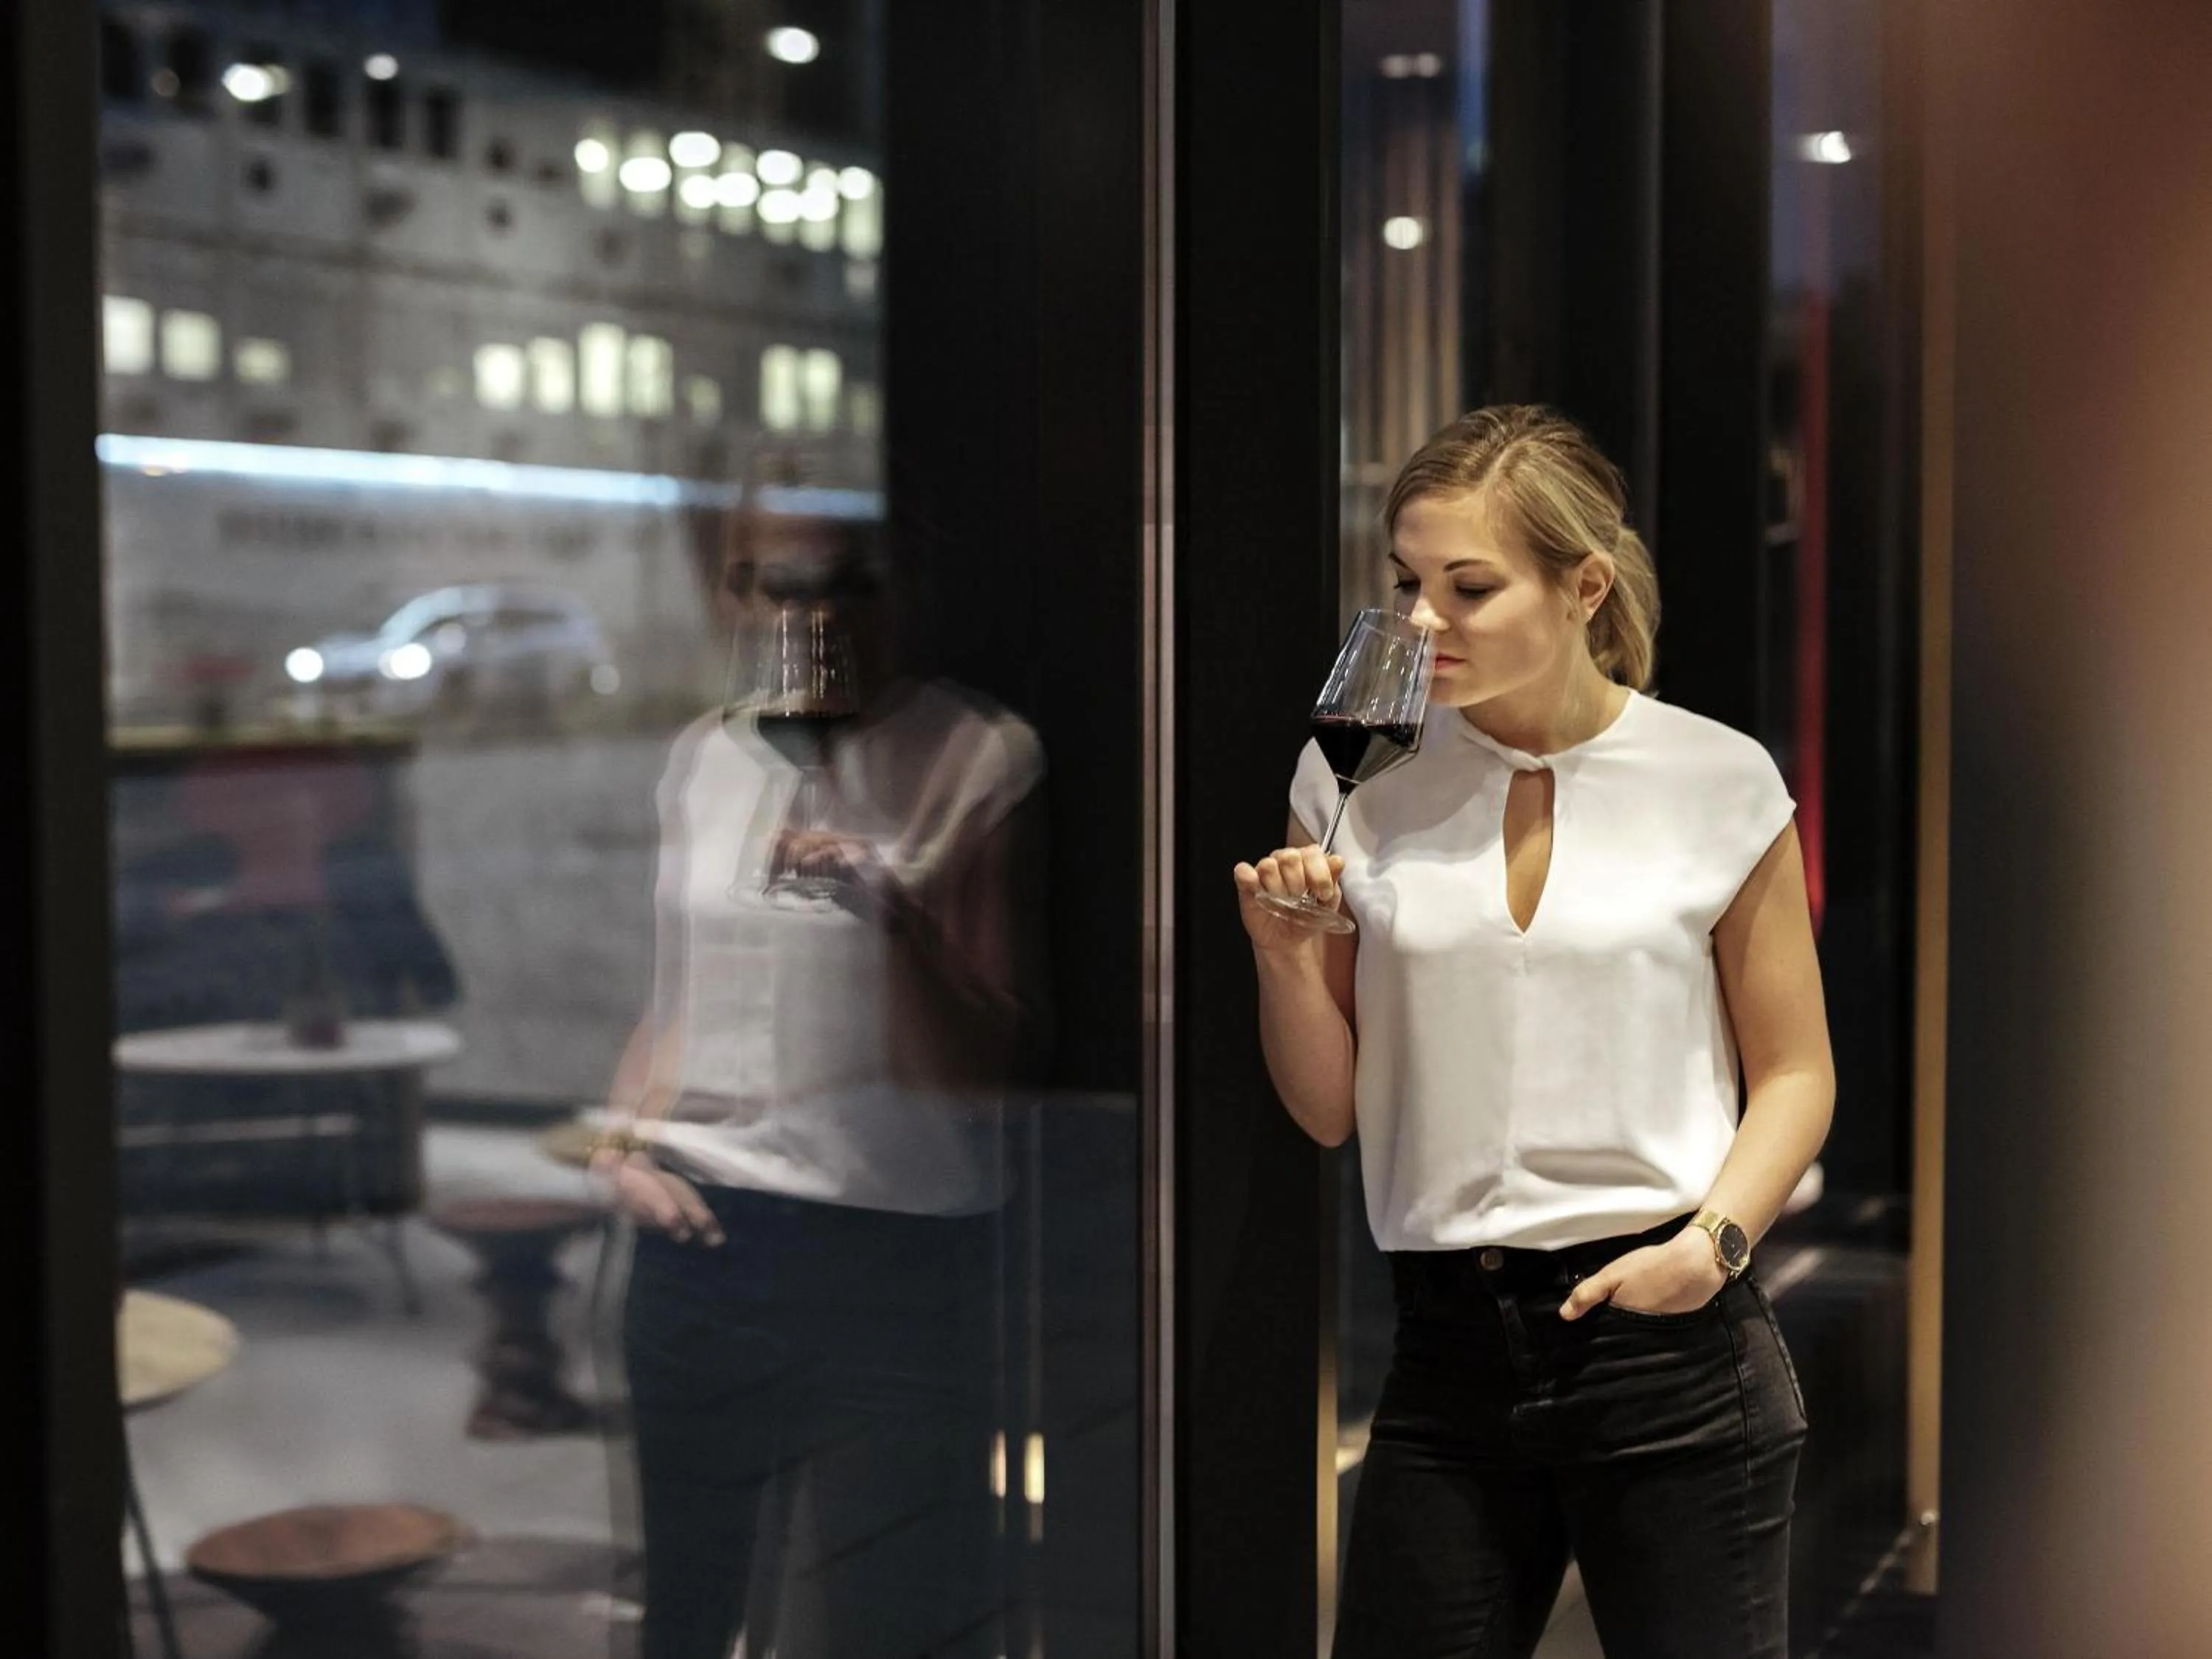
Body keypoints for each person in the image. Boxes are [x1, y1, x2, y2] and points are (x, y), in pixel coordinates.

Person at [1234, 406, 1832, 1659]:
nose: (1423, 622)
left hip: (1667, 1333)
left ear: (1585, 585)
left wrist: (1710, 1246)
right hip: (1448, 1345)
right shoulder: (1357, 775)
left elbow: (1794, 1072)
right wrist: (1284, 956)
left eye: (1468, 586)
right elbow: (1328, 1108)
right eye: (1406, 583)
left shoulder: (1717, 780)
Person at [588, 498, 1048, 1659]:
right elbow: (677, 993)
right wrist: (618, 1142)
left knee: (891, 1621)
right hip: (702, 1238)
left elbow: (983, 1066)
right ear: (740, 600)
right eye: (777, 587)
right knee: (687, 1613)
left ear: (901, 592)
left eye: (844, 583)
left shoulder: (974, 750)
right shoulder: (707, 753)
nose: (812, 616)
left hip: (891, 1256)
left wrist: (890, 918)